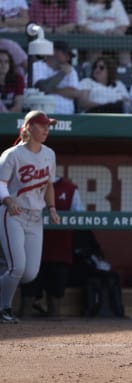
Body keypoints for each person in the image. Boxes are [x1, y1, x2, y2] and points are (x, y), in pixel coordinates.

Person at [0, 110, 60, 324]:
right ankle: (4, 308)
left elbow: (49, 185)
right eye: (42, 125)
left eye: (48, 126)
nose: (46, 129)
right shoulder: (12, 154)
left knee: (29, 274)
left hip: (35, 217)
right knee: (17, 268)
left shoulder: (49, 154)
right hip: (13, 214)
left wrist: (52, 208)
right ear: (28, 128)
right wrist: (8, 201)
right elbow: (1, 183)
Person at [19, 176, 83, 319]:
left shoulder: (70, 188)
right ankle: (24, 334)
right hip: (31, 251)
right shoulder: (27, 185)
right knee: (27, 302)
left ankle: (52, 336)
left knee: (55, 304)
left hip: (59, 252)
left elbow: (80, 216)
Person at [76, 0, 131, 67]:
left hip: (112, 35)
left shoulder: (116, 2)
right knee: (95, 41)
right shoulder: (82, 2)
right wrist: (96, 34)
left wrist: (115, 31)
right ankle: (92, 67)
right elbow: (81, 27)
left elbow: (123, 25)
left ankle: (126, 68)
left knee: (121, 37)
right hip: (91, 36)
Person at [32, 40, 80, 115]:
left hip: (67, 118)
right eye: (65, 54)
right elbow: (41, 88)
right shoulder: (37, 66)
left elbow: (74, 93)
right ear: (54, 51)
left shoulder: (71, 70)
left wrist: (52, 89)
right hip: (41, 116)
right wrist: (62, 74)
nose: (68, 58)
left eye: (69, 56)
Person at [0, 49, 24, 113]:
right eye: (0, 61)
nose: (3, 64)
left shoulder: (17, 79)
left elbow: (18, 106)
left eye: (6, 62)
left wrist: (7, 117)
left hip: (11, 117)